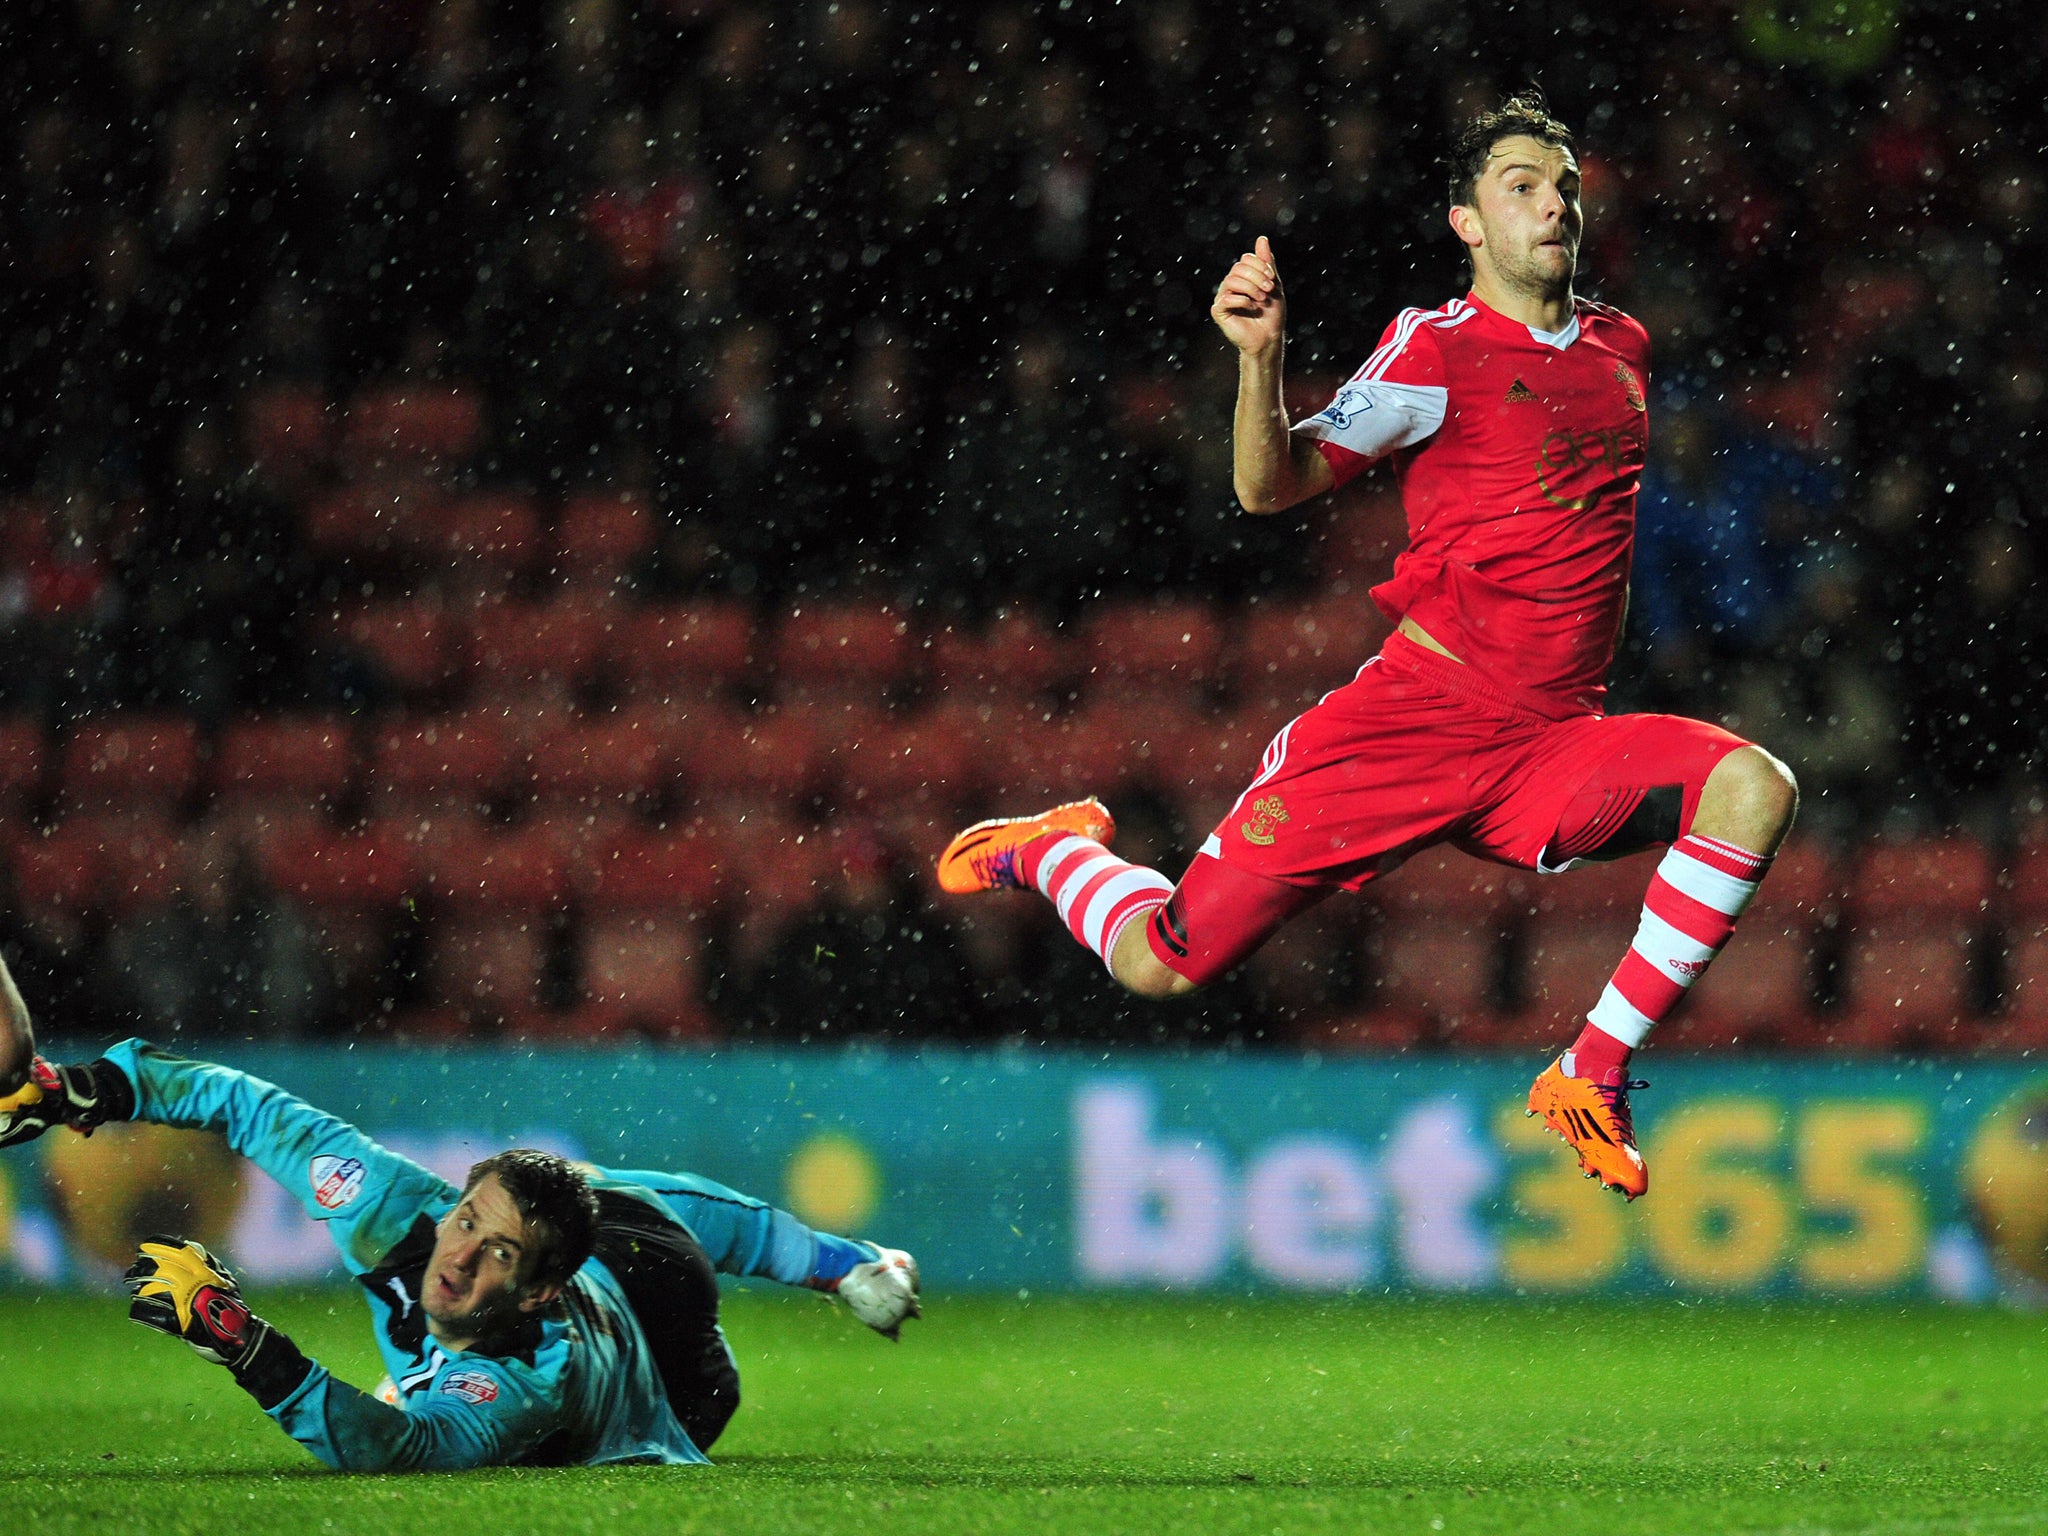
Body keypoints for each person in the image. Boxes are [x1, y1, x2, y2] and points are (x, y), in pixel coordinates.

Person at [937, 92, 1798, 1202]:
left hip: (1547, 745)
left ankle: (1588, 1070)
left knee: (1750, 787)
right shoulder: (1434, 351)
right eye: (1520, 188)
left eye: (1565, 187)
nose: (1552, 207)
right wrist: (1261, 360)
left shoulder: (1623, 347)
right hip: (1407, 726)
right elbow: (1267, 487)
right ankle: (1052, 849)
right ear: (1467, 225)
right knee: (1161, 965)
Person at [0, 958, 920, 1471]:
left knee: (659, 1237)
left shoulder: (529, 1378)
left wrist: (245, 1345)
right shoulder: (394, 1208)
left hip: (674, 1387)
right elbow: (242, 1102)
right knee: (596, 1195)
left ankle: (847, 1262)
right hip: (583, 1264)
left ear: (536, 1292)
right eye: (468, 1220)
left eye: (499, 1253)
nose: (460, 1255)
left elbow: (403, 1450)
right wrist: (76, 1089)